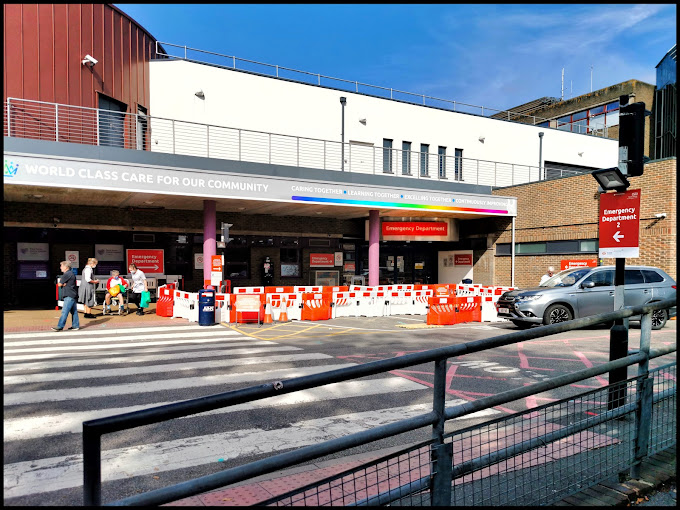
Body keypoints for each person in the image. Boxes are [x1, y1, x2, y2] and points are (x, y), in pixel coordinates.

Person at [52, 260, 80, 331]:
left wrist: (62, 284)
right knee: (74, 311)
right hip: (73, 294)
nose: (60, 268)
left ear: (66, 267)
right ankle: (75, 325)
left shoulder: (66, 274)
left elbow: (59, 284)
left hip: (68, 294)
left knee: (65, 311)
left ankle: (60, 326)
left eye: (61, 266)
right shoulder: (72, 273)